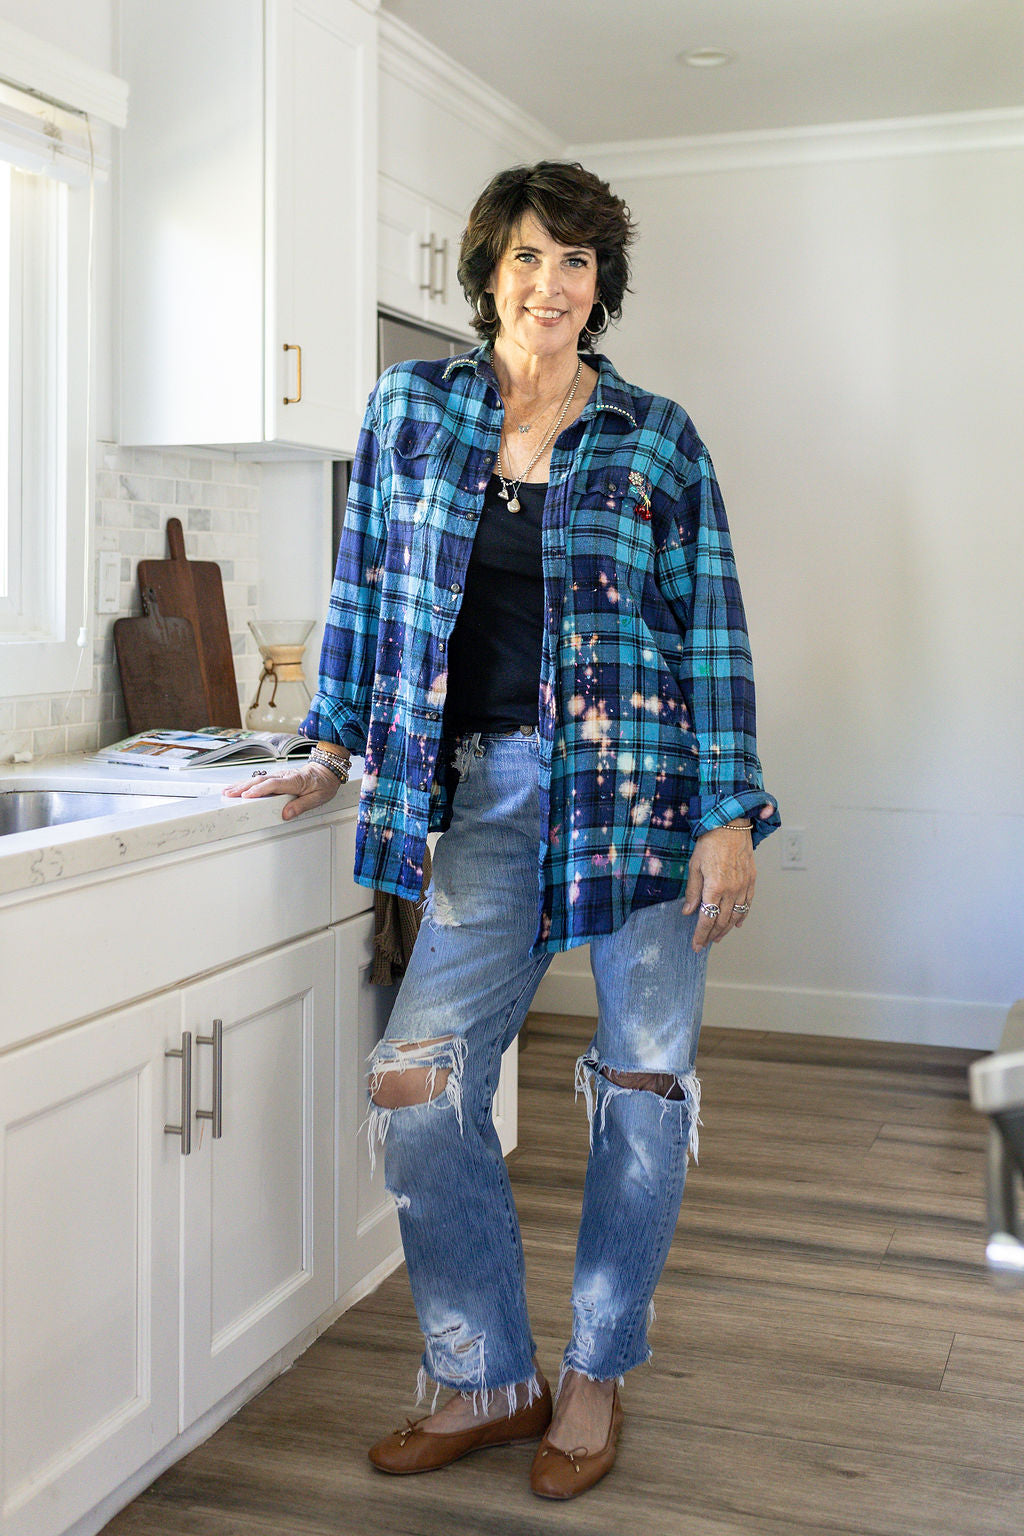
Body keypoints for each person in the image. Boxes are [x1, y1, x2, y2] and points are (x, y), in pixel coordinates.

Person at [226, 160, 779, 1501]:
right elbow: (364, 588)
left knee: (642, 1091)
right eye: (529, 255)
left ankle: (594, 1372)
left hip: (644, 796)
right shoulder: (411, 409)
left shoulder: (656, 436)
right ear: (486, 272)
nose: (552, 283)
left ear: (602, 286)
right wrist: (329, 741)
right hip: (487, 794)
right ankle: (487, 1375)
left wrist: (729, 811)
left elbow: (710, 631)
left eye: (576, 261)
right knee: (418, 1083)